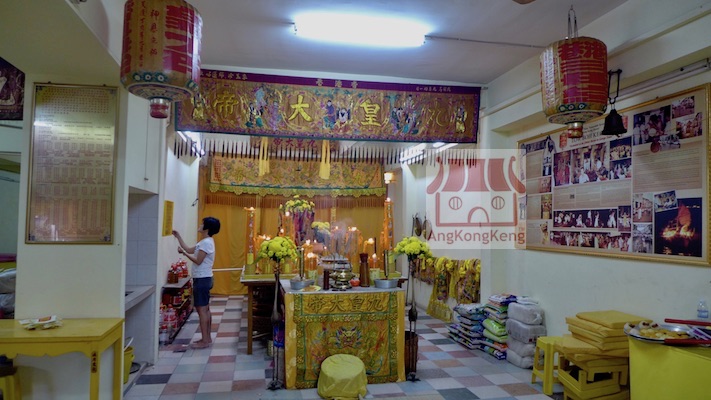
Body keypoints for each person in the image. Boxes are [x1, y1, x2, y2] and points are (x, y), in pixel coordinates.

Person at [173, 217, 221, 349]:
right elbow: (189, 249)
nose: (200, 225)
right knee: (205, 309)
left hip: (202, 279)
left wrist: (183, 253)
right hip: (204, 278)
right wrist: (178, 237)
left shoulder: (206, 243)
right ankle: (207, 338)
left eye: (202, 224)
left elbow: (198, 261)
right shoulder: (205, 242)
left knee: (202, 310)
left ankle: (205, 340)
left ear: (207, 228)